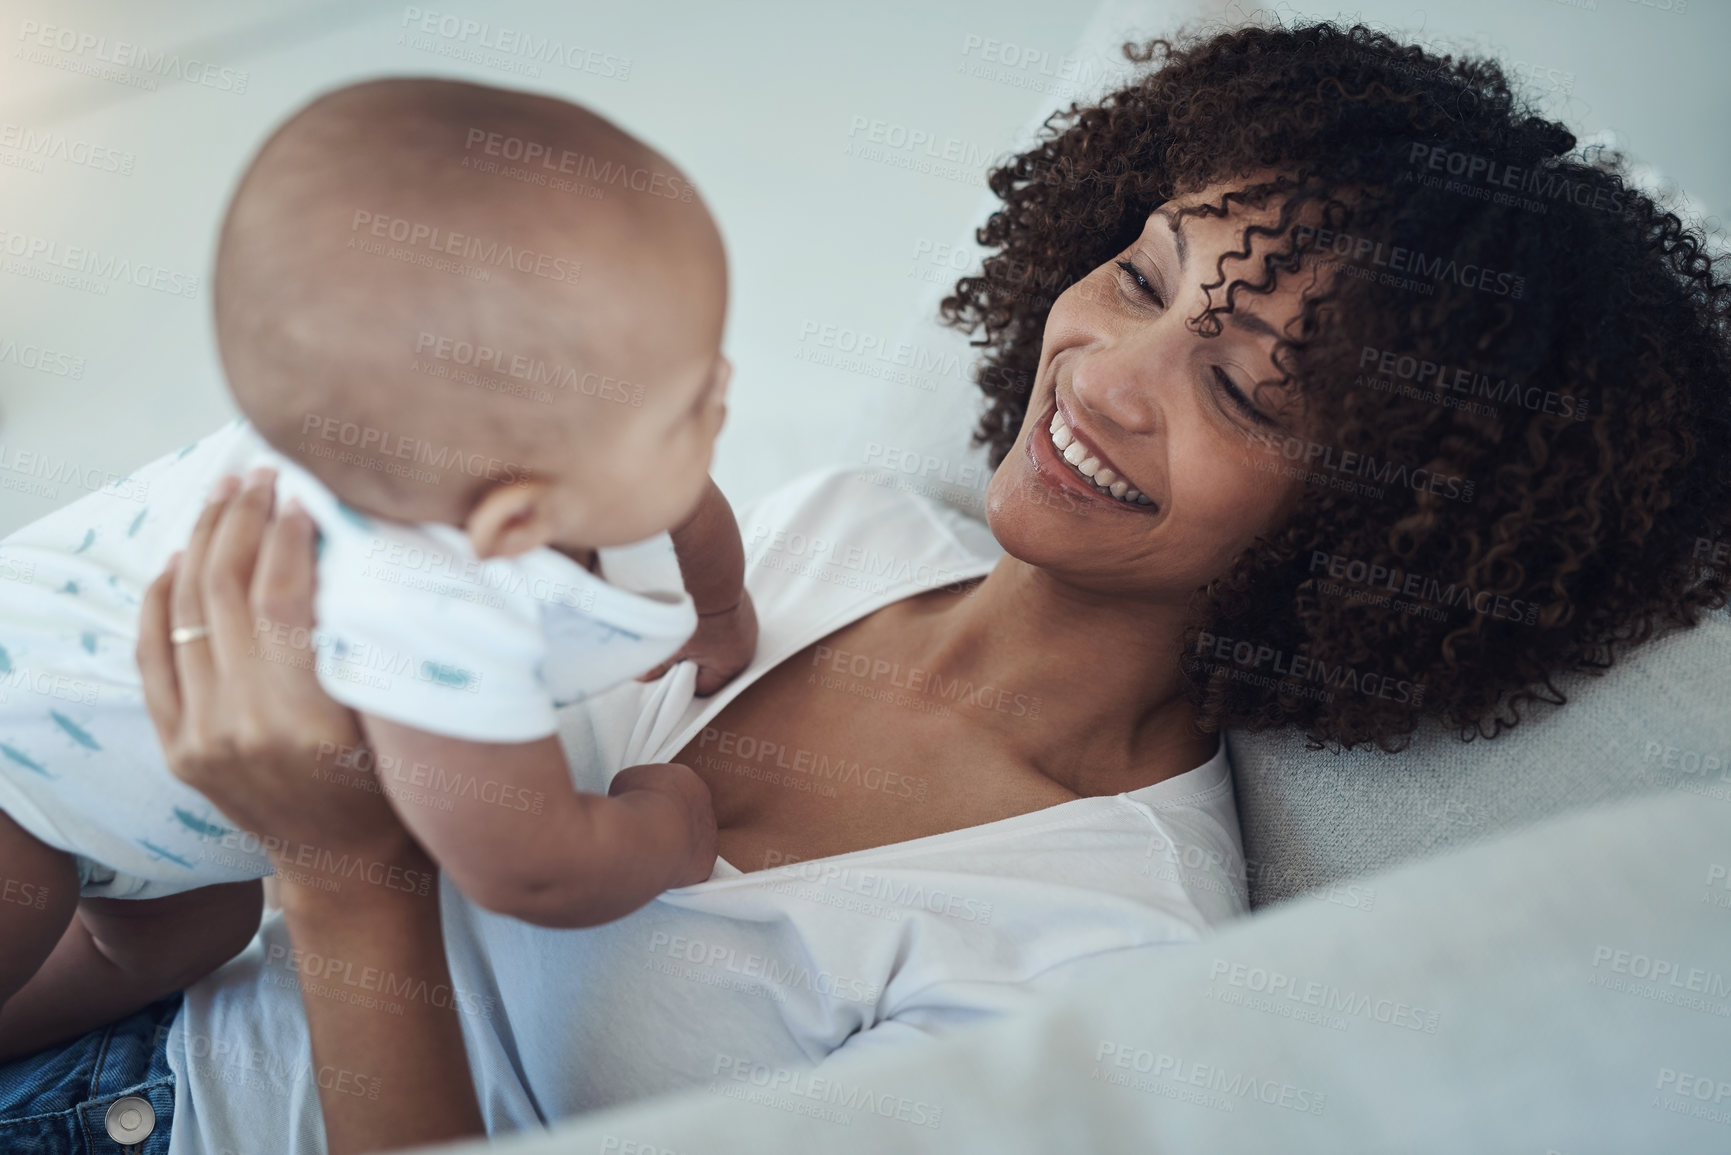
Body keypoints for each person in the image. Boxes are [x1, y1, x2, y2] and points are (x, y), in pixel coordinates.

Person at [3, 20, 1727, 1155]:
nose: (1109, 375)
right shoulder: (840, 528)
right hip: (115, 991)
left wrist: (342, 868)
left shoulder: (1092, 960)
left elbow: (372, 861)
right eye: (1139, 273)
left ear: (1398, 534)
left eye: (1246, 388)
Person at [0, 77, 755, 1064]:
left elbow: (688, 507)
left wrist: (720, 615)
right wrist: (671, 828)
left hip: (146, 820)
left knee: (200, 930)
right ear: (516, 518)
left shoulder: (443, 448)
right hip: (19, 765)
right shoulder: (423, 612)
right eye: (687, 404)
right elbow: (529, 871)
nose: (725, 394)